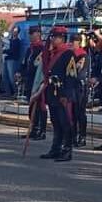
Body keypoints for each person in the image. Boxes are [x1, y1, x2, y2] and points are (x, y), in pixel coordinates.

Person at [40, 25, 80, 161]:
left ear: (62, 38)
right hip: (52, 91)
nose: (52, 40)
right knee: (55, 121)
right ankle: (55, 148)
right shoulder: (52, 53)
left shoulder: (68, 54)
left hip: (63, 93)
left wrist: (66, 95)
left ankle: (67, 149)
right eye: (52, 37)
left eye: (55, 37)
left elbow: (71, 75)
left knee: (65, 121)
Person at [22, 27, 47, 140]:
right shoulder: (30, 49)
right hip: (29, 80)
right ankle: (34, 128)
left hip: (38, 81)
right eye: (30, 33)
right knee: (32, 106)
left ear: (38, 34)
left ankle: (41, 130)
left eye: (33, 33)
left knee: (40, 106)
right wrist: (19, 73)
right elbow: (25, 63)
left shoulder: (42, 49)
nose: (30, 36)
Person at [70, 32, 90, 147]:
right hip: (72, 86)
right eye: (71, 40)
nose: (72, 43)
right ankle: (73, 136)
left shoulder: (83, 55)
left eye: (74, 41)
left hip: (80, 86)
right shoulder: (70, 54)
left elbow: (80, 72)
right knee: (72, 113)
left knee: (80, 113)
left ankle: (82, 137)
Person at [3, 26, 22, 98]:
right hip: (6, 59)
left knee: (12, 77)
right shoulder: (9, 40)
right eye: (13, 30)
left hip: (13, 60)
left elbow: (13, 51)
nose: (14, 32)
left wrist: (4, 51)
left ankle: (15, 92)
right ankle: (7, 92)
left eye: (16, 31)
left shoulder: (17, 41)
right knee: (5, 76)